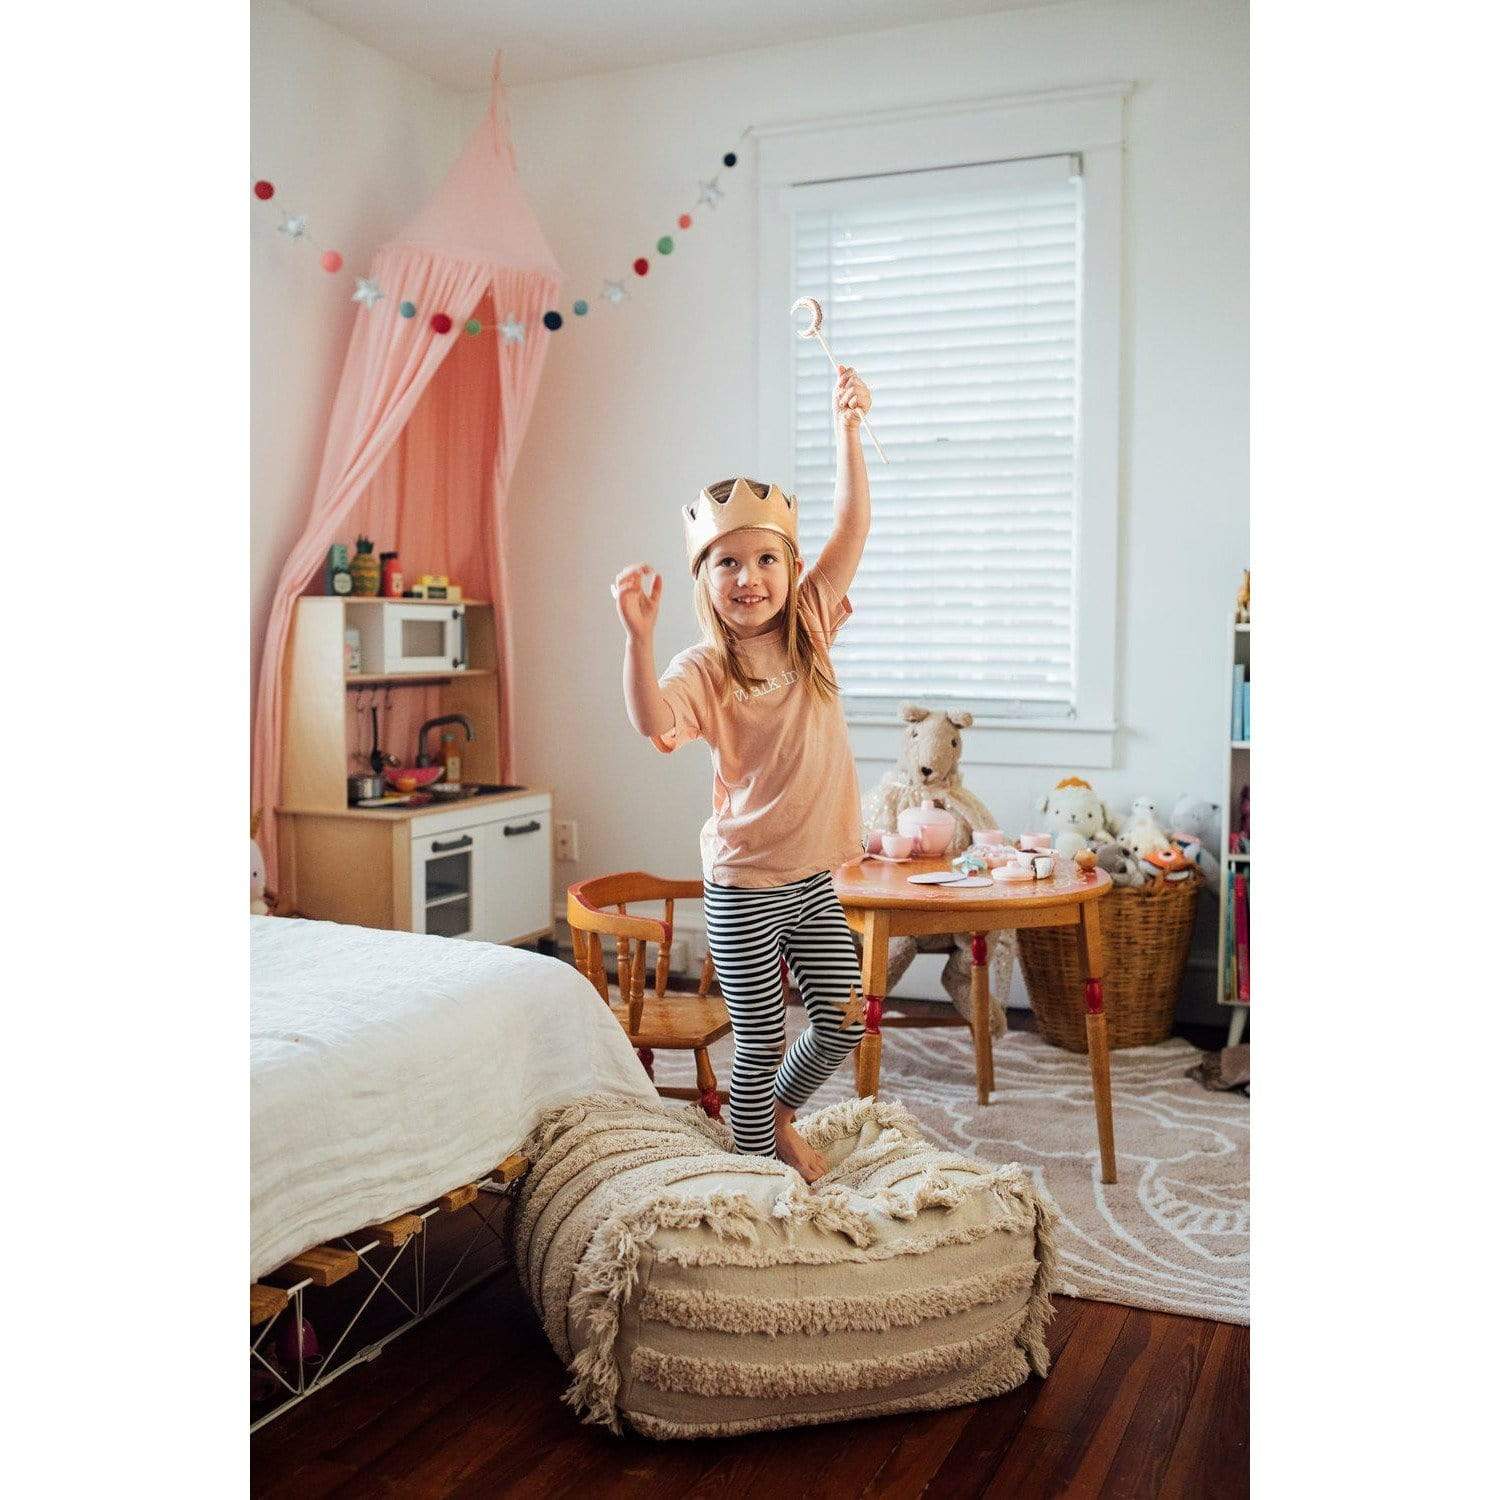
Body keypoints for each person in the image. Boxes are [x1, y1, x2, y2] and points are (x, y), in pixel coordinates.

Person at [611, 367, 875, 1182]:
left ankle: (771, 1116)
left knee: (844, 1019)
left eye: (765, 559)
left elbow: (852, 527)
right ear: (705, 579)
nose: (749, 577)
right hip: (744, 886)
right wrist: (638, 640)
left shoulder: (812, 626)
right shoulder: (705, 668)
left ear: (791, 568)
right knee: (758, 1039)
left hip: (811, 880)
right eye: (727, 563)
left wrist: (848, 432)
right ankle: (757, 1168)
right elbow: (653, 722)